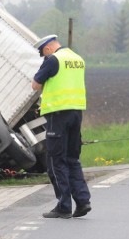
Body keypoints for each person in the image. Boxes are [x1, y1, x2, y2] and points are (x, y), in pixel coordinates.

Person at [31, 34, 92, 219]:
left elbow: (35, 85)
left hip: (58, 115)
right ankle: (83, 202)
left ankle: (63, 205)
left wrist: (45, 64)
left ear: (48, 48)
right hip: (76, 113)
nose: (44, 56)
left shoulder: (53, 60)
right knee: (73, 159)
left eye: (43, 53)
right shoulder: (77, 58)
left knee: (56, 161)